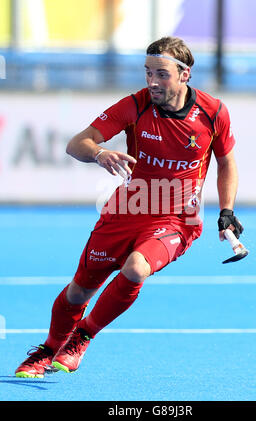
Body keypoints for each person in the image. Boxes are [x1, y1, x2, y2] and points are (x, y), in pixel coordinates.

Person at [15, 36, 244, 378]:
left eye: (161, 74)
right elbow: (77, 143)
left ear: (185, 75)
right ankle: (48, 349)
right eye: (147, 72)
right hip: (129, 209)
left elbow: (226, 163)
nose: (152, 81)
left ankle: (83, 335)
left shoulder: (213, 113)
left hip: (179, 219)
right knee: (79, 292)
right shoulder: (136, 105)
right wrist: (100, 153)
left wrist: (227, 209)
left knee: (137, 268)